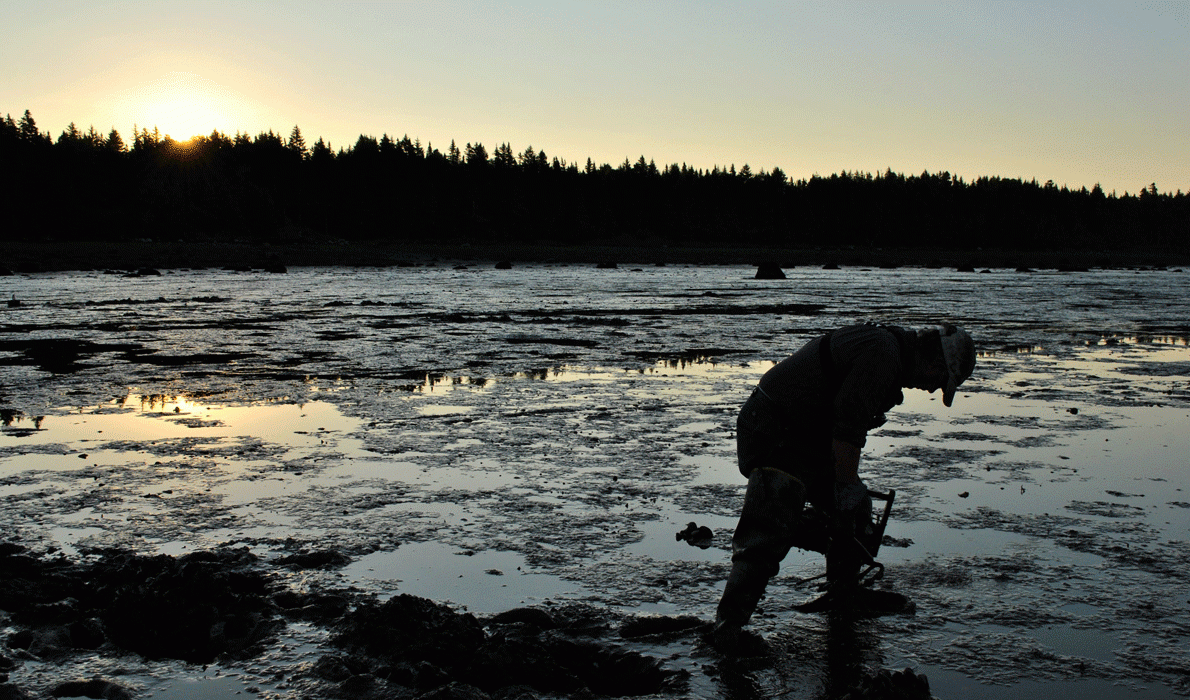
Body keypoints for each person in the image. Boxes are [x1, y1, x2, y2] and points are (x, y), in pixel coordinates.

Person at [713, 322, 976, 651]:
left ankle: (843, 591)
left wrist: (848, 497)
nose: (932, 389)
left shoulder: (890, 355)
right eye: (939, 382)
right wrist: (845, 490)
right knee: (769, 525)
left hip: (803, 437)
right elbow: (847, 430)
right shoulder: (884, 356)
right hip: (773, 430)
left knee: (858, 510)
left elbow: (845, 432)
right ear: (934, 362)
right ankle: (727, 628)